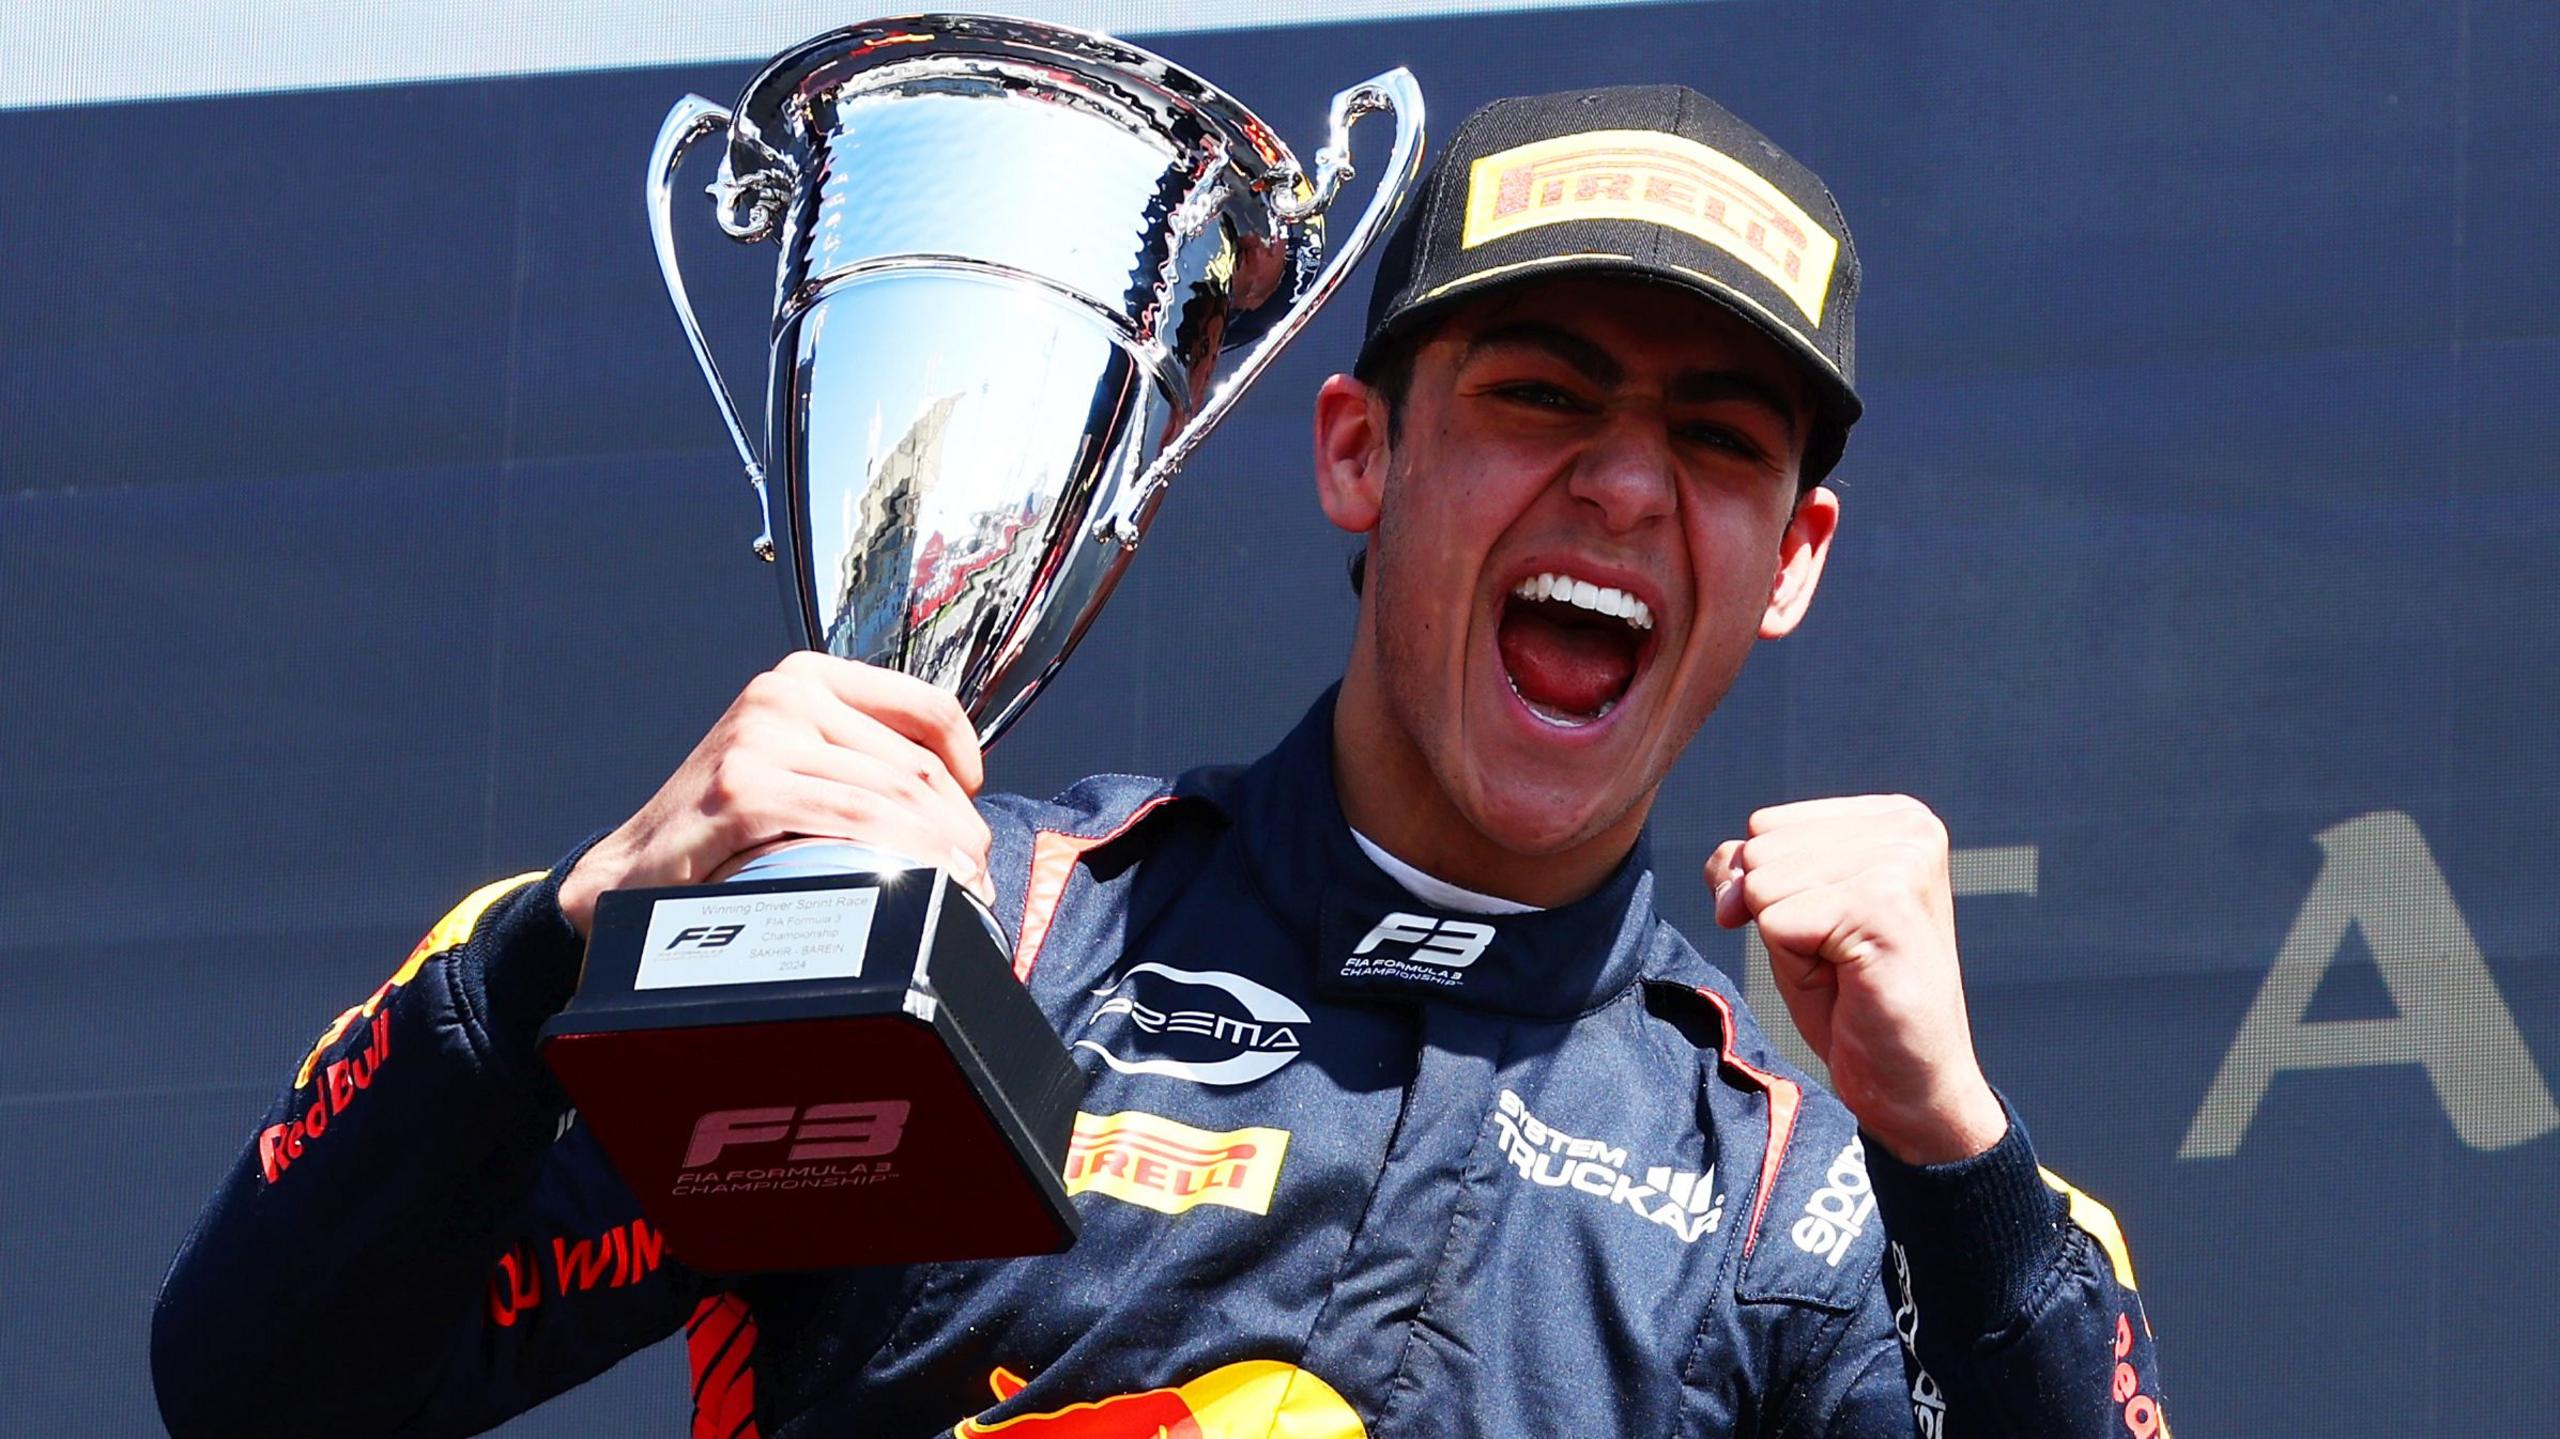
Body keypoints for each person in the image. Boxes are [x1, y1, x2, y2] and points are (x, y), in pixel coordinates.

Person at [153, 85, 2169, 1439]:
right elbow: (267, 1381)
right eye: (1539, 395)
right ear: (1355, 453)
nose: (1624, 485)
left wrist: (1959, 1172)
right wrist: (562, 957)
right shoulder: (984, 947)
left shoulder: (1800, 1209)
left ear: (1789, 563)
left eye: (1718, 445)